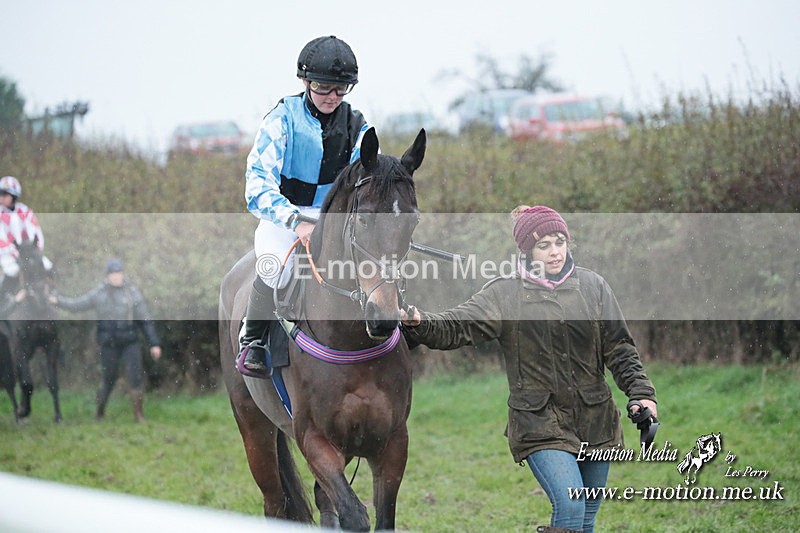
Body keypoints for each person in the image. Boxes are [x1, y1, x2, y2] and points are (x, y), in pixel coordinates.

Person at [401, 205, 658, 533]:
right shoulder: (504, 294)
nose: (555, 252)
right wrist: (420, 321)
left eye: (559, 242)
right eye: (544, 245)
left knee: (585, 519)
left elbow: (620, 350)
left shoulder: (594, 288)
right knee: (570, 502)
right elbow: (456, 326)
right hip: (539, 421)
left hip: (596, 420)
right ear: (526, 251)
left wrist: (642, 394)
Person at [239, 35, 369, 374]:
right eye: (324, 87)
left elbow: (365, 184)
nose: (332, 97)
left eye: (341, 90)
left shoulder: (358, 125)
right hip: (284, 218)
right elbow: (257, 186)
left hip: (334, 221)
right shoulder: (281, 118)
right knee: (273, 266)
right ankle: (252, 340)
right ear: (305, 81)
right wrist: (296, 221)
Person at [51, 259, 162, 422]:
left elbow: (145, 320)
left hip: (130, 341)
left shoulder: (133, 293)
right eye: (113, 274)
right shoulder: (99, 293)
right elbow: (77, 305)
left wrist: (154, 343)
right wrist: (58, 301)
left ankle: (139, 415)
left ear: (123, 274)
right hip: (109, 343)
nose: (116, 277)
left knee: (135, 377)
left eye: (119, 274)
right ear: (108, 276)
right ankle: (100, 412)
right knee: (109, 378)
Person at [0, 176, 53, 289]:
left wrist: (34, 252)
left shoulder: (26, 211)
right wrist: (16, 253)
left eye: (4, 194)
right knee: (11, 272)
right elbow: (1, 240)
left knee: (48, 267)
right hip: (8, 256)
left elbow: (37, 234)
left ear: (13, 195)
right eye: (0, 193)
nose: (1, 197)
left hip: (28, 254)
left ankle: (54, 297)